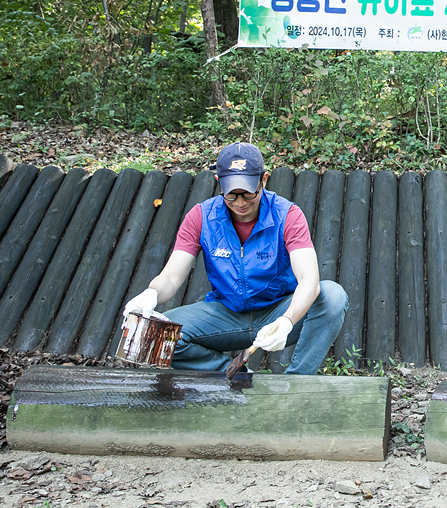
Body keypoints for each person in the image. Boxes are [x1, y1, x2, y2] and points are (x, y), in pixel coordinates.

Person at [122, 142, 348, 372]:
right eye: (231, 194)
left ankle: (296, 382)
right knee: (158, 335)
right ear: (219, 182)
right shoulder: (201, 217)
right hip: (225, 314)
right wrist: (152, 293)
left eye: (248, 193)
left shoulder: (287, 215)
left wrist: (287, 320)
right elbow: (170, 277)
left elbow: (309, 279)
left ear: (264, 179)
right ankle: (234, 374)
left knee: (332, 296)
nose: (240, 203)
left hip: (277, 311)